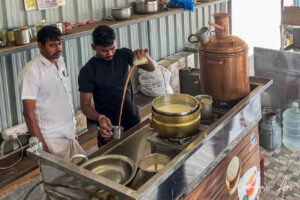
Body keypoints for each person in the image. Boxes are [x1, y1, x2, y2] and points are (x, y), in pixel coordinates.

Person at [78, 25, 155, 147]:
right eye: (104, 50)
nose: (109, 53)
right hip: (107, 126)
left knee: (137, 155)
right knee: (112, 160)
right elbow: (85, 106)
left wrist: (144, 57)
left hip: (132, 118)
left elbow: (151, 68)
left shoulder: (123, 55)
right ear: (94, 47)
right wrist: (100, 118)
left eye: (112, 49)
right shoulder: (88, 71)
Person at [18, 26, 86, 159]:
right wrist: (42, 146)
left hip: (69, 134)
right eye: (53, 45)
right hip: (51, 139)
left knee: (81, 174)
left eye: (60, 44)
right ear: (40, 46)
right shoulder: (31, 71)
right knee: (60, 179)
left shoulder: (60, 61)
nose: (59, 48)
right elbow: (28, 113)